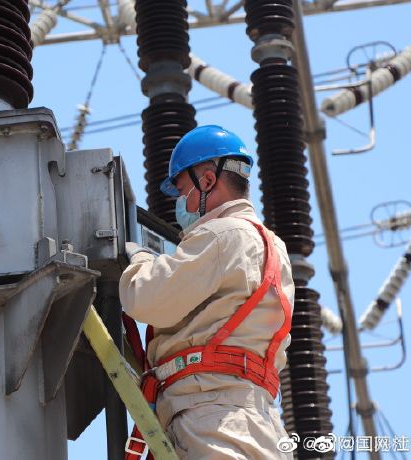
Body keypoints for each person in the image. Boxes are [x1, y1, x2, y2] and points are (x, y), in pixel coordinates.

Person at [119, 125, 295, 459]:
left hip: (211, 418)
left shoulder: (220, 234)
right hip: (259, 423)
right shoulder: (274, 247)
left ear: (208, 180)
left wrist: (139, 261)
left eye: (181, 190)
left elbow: (144, 299)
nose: (179, 203)